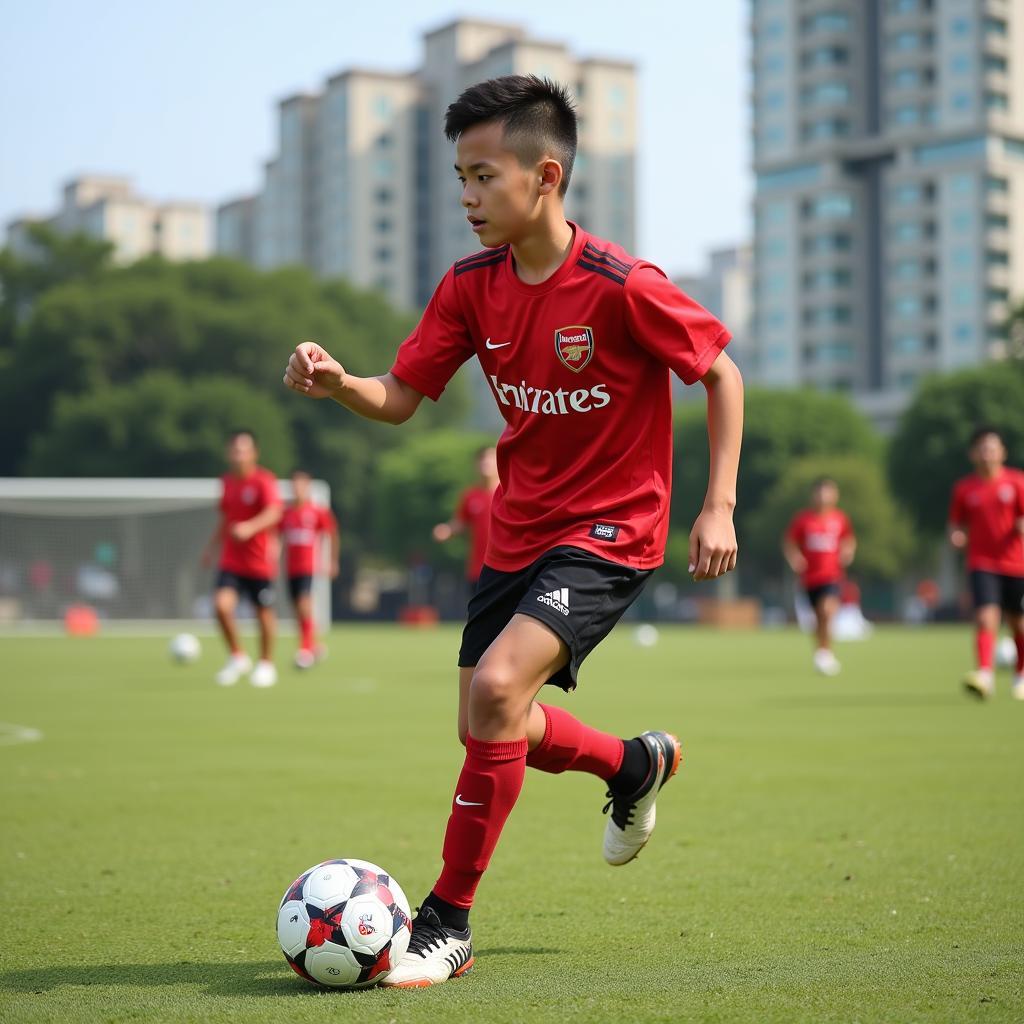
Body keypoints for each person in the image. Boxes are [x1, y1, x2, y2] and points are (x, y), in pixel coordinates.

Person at [283, 75, 743, 987]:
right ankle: (634, 763)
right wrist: (341, 381)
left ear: (546, 175)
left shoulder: (622, 285)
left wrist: (719, 503)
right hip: (518, 532)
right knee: (492, 721)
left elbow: (721, 375)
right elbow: (403, 399)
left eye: (483, 176)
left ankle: (446, 923)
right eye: (459, 177)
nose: (466, 197)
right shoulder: (469, 287)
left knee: (496, 690)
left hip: (614, 527)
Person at [201, 429, 282, 688]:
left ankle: (266, 664)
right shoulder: (226, 482)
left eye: (243, 450)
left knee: (263, 614)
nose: (238, 455)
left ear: (254, 453)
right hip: (232, 561)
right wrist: (211, 548)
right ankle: (237, 656)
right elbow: (225, 519)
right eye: (234, 450)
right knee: (221, 606)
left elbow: (274, 512)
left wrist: (249, 527)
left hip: (258, 562)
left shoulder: (264, 481)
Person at [948, 426, 1024, 700]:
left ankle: (1020, 675)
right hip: (982, 563)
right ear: (973, 454)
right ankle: (985, 674)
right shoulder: (965, 488)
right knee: (985, 617)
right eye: (982, 449)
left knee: (1019, 623)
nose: (987, 454)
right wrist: (956, 536)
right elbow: (955, 525)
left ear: (1002, 452)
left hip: (1017, 564)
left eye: (992, 448)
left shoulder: (1017, 482)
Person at [783, 478, 856, 676]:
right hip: (809, 578)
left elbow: (849, 540)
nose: (823, 496)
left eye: (828, 492)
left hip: (832, 576)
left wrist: (848, 552)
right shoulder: (803, 520)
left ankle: (827, 652)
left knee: (827, 611)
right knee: (818, 618)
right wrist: (796, 559)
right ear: (813, 495)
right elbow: (790, 543)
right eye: (820, 492)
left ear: (835, 495)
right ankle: (821, 651)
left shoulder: (840, 519)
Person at [280, 469, 339, 669]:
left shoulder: (316, 511)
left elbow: (331, 534)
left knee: (305, 604)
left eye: (301, 485)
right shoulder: (286, 513)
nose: (297, 489)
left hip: (308, 566)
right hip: (290, 568)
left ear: (308, 487)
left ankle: (304, 649)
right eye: (294, 485)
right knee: (297, 609)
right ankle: (313, 645)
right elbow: (276, 537)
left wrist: (332, 560)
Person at [433, 445, 499, 588]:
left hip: (507, 567)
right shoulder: (470, 496)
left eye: (490, 458)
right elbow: (460, 522)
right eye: (481, 459)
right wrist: (447, 530)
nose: (485, 462)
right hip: (478, 570)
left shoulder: (508, 493)